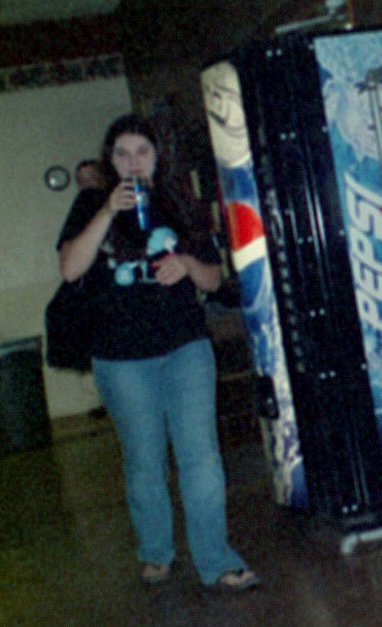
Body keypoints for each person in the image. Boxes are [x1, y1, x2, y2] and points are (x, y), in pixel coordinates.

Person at [56, 114, 257, 592]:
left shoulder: (181, 202)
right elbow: (70, 269)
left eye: (141, 152)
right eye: (122, 154)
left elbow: (212, 278)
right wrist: (107, 211)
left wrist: (185, 263)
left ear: (157, 156)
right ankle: (155, 551)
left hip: (185, 347)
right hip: (121, 357)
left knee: (201, 457)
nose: (132, 162)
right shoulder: (91, 203)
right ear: (110, 160)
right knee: (145, 461)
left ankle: (217, 561)